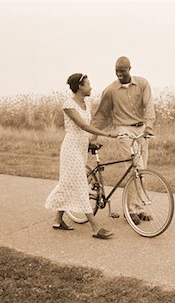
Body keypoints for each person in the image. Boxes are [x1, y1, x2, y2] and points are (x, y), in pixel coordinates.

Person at [45, 73, 116, 239]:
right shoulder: (68, 105)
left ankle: (57, 219)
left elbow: (88, 125)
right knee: (80, 184)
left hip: (81, 147)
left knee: (70, 183)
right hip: (70, 150)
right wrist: (106, 135)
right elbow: (83, 125)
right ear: (80, 87)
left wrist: (91, 141)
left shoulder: (87, 102)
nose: (90, 87)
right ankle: (95, 228)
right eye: (88, 84)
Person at [91, 56, 155, 225]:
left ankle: (139, 208)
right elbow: (102, 116)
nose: (119, 74)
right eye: (116, 71)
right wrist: (93, 136)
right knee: (136, 167)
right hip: (124, 131)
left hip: (141, 129)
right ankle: (131, 211)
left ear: (129, 69)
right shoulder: (110, 90)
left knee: (142, 170)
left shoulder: (142, 84)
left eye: (122, 71)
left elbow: (149, 106)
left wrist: (149, 127)